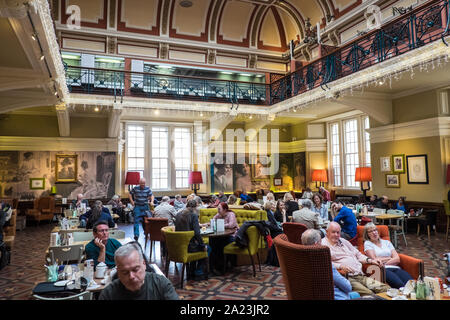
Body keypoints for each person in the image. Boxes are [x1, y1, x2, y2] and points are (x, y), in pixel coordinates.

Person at [321, 222, 390, 296]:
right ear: (327, 232)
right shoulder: (323, 245)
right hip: (347, 277)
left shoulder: (343, 241)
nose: (336, 235)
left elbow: (358, 255)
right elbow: (325, 263)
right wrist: (340, 266)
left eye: (338, 232)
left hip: (360, 275)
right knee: (369, 294)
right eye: (333, 232)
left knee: (385, 289)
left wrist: (370, 260)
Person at [99, 242, 179, 300]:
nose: (131, 277)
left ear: (144, 264)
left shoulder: (160, 284)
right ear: (118, 272)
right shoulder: (109, 294)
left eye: (135, 270)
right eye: (125, 272)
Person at [301, 229, 360, 300]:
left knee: (356, 294)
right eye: (320, 242)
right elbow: (347, 287)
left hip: (310, 296)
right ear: (316, 244)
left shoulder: (298, 261)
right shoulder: (323, 263)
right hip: (335, 297)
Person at [363, 223, 413, 289]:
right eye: (371, 231)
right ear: (367, 234)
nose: (374, 233)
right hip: (383, 270)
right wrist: (390, 258)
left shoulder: (387, 242)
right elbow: (375, 260)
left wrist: (384, 261)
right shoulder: (368, 244)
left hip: (395, 268)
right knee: (400, 285)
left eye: (375, 230)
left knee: (411, 283)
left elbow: (397, 259)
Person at [175, 199, 208, 280]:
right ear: (195, 207)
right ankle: (198, 272)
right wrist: (203, 245)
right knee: (208, 248)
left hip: (178, 246)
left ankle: (191, 271)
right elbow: (197, 233)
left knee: (196, 245)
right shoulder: (193, 215)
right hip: (189, 247)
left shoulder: (178, 214)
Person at [209, 202, 239, 275]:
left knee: (220, 244)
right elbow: (213, 221)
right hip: (221, 236)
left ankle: (221, 267)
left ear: (225, 209)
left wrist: (220, 224)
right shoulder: (218, 215)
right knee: (212, 241)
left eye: (219, 209)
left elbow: (231, 225)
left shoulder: (231, 214)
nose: (218, 211)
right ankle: (213, 267)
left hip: (232, 236)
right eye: (218, 209)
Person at [264, 200, 283, 266]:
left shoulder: (270, 212)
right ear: (269, 205)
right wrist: (279, 228)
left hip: (275, 230)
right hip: (273, 232)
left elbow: (274, 222)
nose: (274, 206)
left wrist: (279, 225)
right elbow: (271, 226)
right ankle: (277, 261)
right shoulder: (268, 213)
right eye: (272, 204)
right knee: (283, 234)